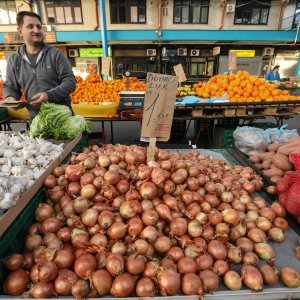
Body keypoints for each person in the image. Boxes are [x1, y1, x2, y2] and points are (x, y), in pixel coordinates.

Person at [3, 11, 76, 120]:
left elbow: (70, 81)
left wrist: (48, 95)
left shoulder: (55, 54)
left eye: (39, 26)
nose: (36, 30)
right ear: (20, 31)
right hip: (36, 119)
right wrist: (10, 98)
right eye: (30, 26)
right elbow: (10, 86)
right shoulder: (14, 60)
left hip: (62, 116)